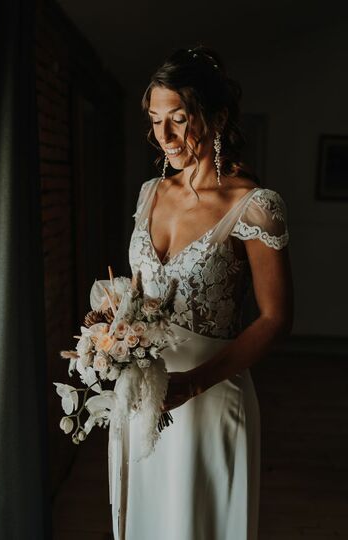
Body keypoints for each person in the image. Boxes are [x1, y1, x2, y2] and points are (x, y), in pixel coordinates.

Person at [108, 45, 294, 540]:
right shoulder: (151, 192)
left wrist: (192, 384)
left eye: (179, 118)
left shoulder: (253, 205)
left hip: (209, 395)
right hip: (144, 397)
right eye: (154, 120)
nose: (163, 135)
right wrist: (109, 335)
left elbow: (276, 318)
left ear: (216, 117)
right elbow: (142, 292)